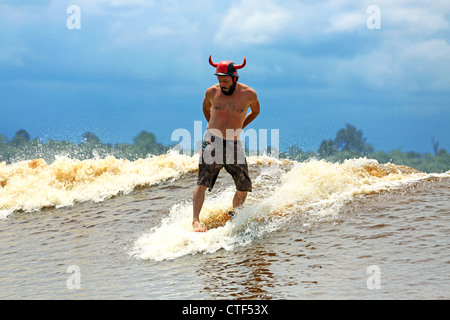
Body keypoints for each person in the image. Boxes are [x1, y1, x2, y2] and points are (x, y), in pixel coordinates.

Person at [192, 56, 261, 232]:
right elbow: (205, 109)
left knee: (244, 186)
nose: (222, 84)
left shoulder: (249, 94)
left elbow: (256, 112)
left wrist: (241, 126)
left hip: (234, 142)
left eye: (225, 80)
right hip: (212, 140)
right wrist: (212, 128)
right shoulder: (211, 92)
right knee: (202, 182)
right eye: (219, 80)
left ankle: (235, 216)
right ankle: (195, 221)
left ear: (234, 77)